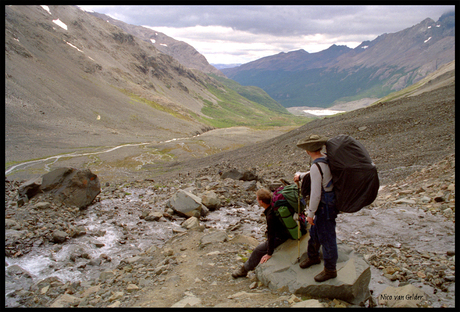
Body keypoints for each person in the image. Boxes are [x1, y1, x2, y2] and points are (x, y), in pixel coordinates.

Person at [295, 134, 338, 282]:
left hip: (324, 205)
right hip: (331, 201)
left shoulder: (316, 166)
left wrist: (310, 213)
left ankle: (330, 270)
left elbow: (315, 194)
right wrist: (301, 176)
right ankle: (313, 257)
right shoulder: (326, 158)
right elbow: (320, 173)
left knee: (327, 238)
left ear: (307, 151)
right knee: (315, 231)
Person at [232, 188, 291, 278]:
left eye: (257, 198)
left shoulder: (271, 215)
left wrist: (269, 253)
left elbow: (272, 235)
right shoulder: (273, 206)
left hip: (281, 237)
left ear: (261, 202)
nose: (256, 200)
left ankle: (244, 270)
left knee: (257, 251)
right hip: (285, 232)